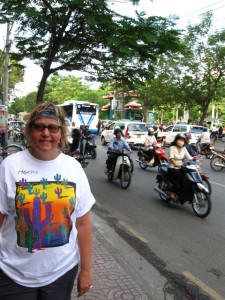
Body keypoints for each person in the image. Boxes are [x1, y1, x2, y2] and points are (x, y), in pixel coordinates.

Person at [0, 103, 95, 299]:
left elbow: (83, 224)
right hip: (12, 272)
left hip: (61, 272)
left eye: (52, 128)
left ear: (61, 133)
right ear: (30, 130)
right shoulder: (10, 165)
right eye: (39, 127)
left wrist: (86, 270)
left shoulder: (73, 168)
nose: (46, 133)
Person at [168, 133, 195, 200]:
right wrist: (175, 163)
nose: (181, 141)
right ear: (176, 140)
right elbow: (171, 158)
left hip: (180, 167)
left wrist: (195, 158)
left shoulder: (184, 149)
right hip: (172, 167)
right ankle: (172, 192)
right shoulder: (172, 148)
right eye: (180, 139)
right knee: (180, 177)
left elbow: (189, 157)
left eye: (183, 140)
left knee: (189, 176)